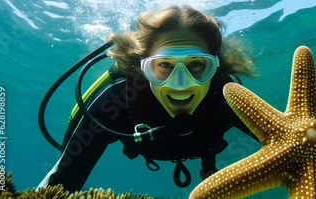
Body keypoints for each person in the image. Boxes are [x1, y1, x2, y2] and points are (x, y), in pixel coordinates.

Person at [38, 5, 258, 192]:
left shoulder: (229, 96)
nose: (180, 84)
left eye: (196, 64)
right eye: (164, 65)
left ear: (215, 66)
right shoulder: (115, 102)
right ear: (143, 69)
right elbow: (60, 183)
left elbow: (289, 139)